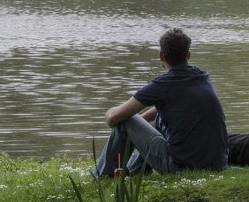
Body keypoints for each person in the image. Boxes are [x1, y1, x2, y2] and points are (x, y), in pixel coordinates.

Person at [94, 28, 229, 178]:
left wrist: (120, 118)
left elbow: (113, 118)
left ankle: (102, 177)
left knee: (125, 121)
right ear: (188, 55)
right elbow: (174, 106)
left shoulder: (163, 85)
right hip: (217, 165)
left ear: (161, 56)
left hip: (180, 168)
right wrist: (139, 127)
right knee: (158, 119)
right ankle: (135, 172)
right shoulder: (202, 77)